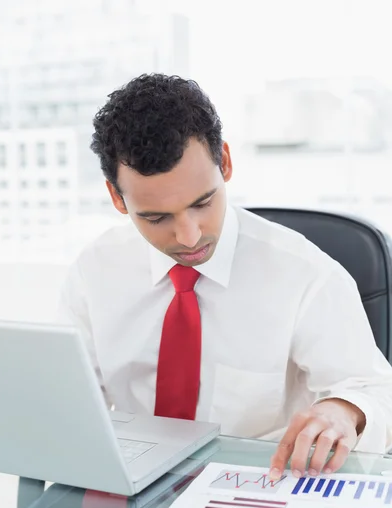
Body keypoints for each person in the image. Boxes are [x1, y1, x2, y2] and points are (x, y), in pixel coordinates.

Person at [59, 73, 392, 481]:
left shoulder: (306, 274)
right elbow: (66, 399)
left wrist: (343, 410)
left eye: (202, 203)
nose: (189, 236)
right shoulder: (95, 270)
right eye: (155, 217)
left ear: (226, 163)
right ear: (116, 197)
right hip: (134, 487)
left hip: (255, 494)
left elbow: (375, 390)